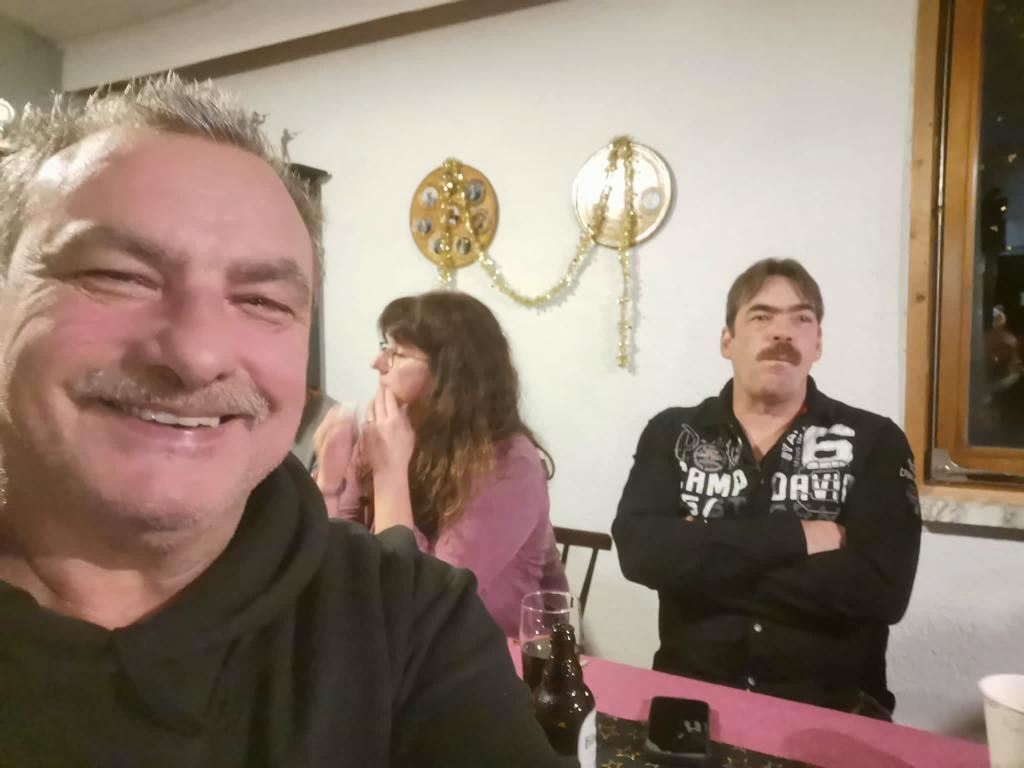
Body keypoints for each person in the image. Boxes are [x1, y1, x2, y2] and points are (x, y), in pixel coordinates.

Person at [0, 76, 570, 767]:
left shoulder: (410, 622)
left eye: (263, 301)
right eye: (118, 275)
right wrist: (337, 476)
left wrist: (386, 470)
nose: (198, 355)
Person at [613, 258, 922, 717]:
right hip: (689, 700)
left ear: (818, 343)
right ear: (727, 340)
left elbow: (882, 590)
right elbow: (640, 553)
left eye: (801, 319)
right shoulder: (673, 433)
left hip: (832, 708)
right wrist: (798, 538)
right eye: (761, 317)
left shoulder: (875, 441)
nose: (782, 333)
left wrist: (700, 554)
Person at [314, 291, 569, 637]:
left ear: (449, 373)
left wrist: (390, 474)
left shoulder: (511, 463)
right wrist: (329, 482)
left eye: (396, 353)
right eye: (384, 346)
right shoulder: (394, 432)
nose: (377, 362)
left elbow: (426, 597)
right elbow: (328, 558)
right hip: (394, 641)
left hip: (490, 653)